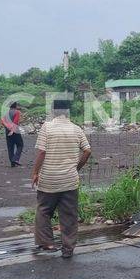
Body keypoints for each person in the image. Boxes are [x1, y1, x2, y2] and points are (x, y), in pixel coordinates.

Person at [31, 99, 91, 258]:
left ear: (53, 111)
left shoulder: (47, 127)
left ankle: (48, 243)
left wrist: (35, 172)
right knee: (69, 215)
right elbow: (87, 151)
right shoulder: (76, 129)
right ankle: (68, 249)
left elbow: (42, 152)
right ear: (68, 112)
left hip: (49, 179)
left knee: (43, 210)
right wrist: (76, 168)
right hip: (70, 180)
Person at [1, 102, 24, 167]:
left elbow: (2, 121)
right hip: (15, 131)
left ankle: (12, 163)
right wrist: (12, 130)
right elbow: (15, 122)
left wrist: (8, 127)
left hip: (7, 131)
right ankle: (16, 159)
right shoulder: (17, 112)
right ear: (15, 106)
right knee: (20, 144)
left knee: (10, 147)